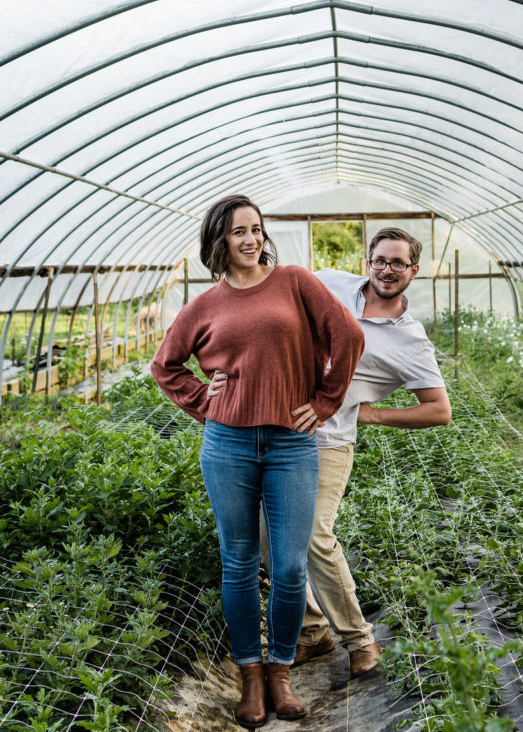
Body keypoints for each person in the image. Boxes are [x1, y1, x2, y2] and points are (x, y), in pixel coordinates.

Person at [151, 194, 364, 729]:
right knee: (240, 563)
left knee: (290, 568)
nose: (250, 239)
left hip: (292, 444)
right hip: (227, 445)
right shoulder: (204, 306)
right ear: (218, 241)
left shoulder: (294, 281)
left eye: (256, 229)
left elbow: (349, 335)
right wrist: (204, 401)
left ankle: (281, 668)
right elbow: (166, 365)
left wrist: (324, 402)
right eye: (238, 232)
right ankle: (250, 671)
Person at [293, 227, 451, 678]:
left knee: (314, 537)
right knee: (269, 538)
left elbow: (439, 410)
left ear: (413, 271)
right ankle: (311, 631)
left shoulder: (410, 341)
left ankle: (360, 641)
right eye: (380, 260)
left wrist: (374, 415)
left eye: (398, 263)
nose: (386, 270)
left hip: (329, 441)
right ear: (368, 260)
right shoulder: (330, 283)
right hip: (279, 430)